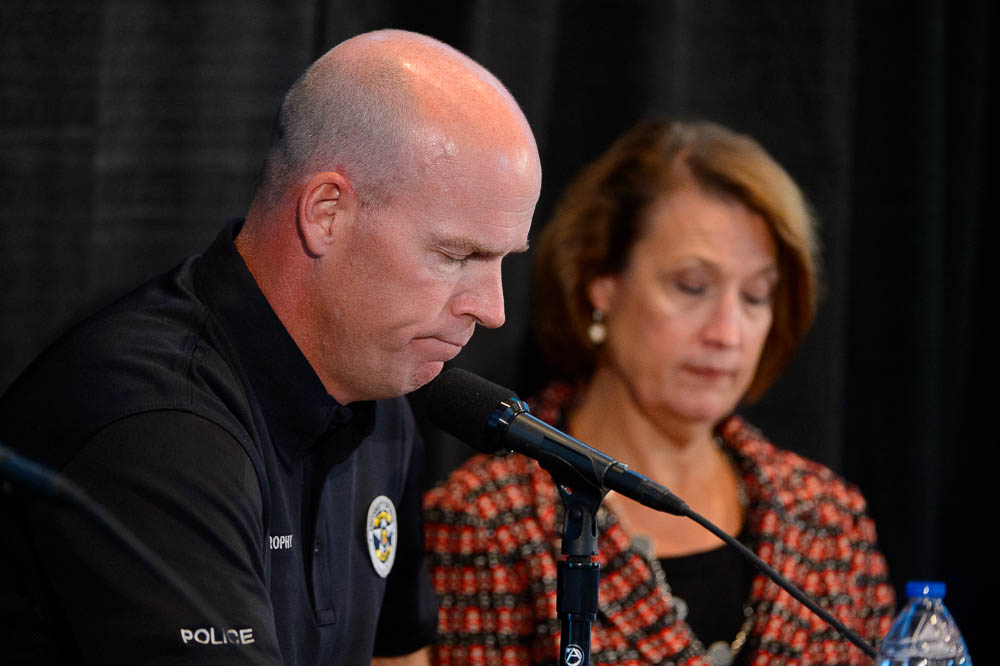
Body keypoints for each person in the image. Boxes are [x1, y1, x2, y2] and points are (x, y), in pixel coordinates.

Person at [0, 29, 541, 665]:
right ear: (326, 213)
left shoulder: (384, 389)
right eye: (456, 255)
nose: (493, 310)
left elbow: (396, 657)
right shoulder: (160, 426)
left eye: (503, 260)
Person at [423, 119, 895, 665]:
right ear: (601, 283)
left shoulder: (828, 517)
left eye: (755, 297)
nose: (728, 333)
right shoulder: (488, 520)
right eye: (692, 287)